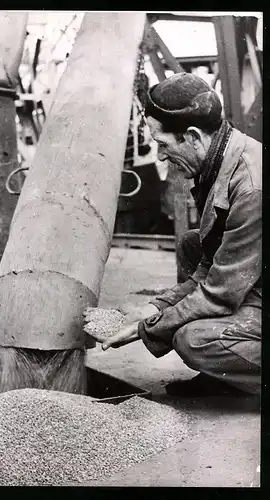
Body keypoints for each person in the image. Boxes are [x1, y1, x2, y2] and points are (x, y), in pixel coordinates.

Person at [93, 73, 262, 397]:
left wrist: (146, 328)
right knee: (191, 244)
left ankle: (237, 372)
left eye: (163, 144)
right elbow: (209, 268)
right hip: (254, 281)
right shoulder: (220, 159)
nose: (159, 156)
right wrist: (156, 308)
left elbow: (219, 293)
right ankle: (227, 374)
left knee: (193, 339)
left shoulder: (252, 187)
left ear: (193, 137)